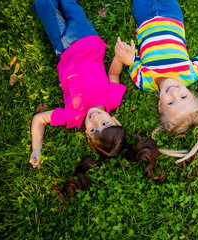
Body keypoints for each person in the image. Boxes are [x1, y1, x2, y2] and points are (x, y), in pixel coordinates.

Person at [31, 0, 127, 201]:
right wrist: (119, 58)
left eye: (93, 130)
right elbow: (114, 74)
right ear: (116, 121)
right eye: (105, 123)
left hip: (64, 49)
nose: (95, 120)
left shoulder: (72, 117)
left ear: (87, 136)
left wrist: (37, 148)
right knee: (70, 5)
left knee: (44, 5)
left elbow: (39, 119)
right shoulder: (111, 100)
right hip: (87, 38)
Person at [114, 0, 198, 133]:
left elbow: (131, 60)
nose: (174, 93)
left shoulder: (143, 81)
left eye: (170, 103)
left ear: (160, 106)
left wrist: (127, 57)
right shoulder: (190, 74)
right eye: (184, 97)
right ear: (191, 94)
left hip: (144, 20)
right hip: (172, 15)